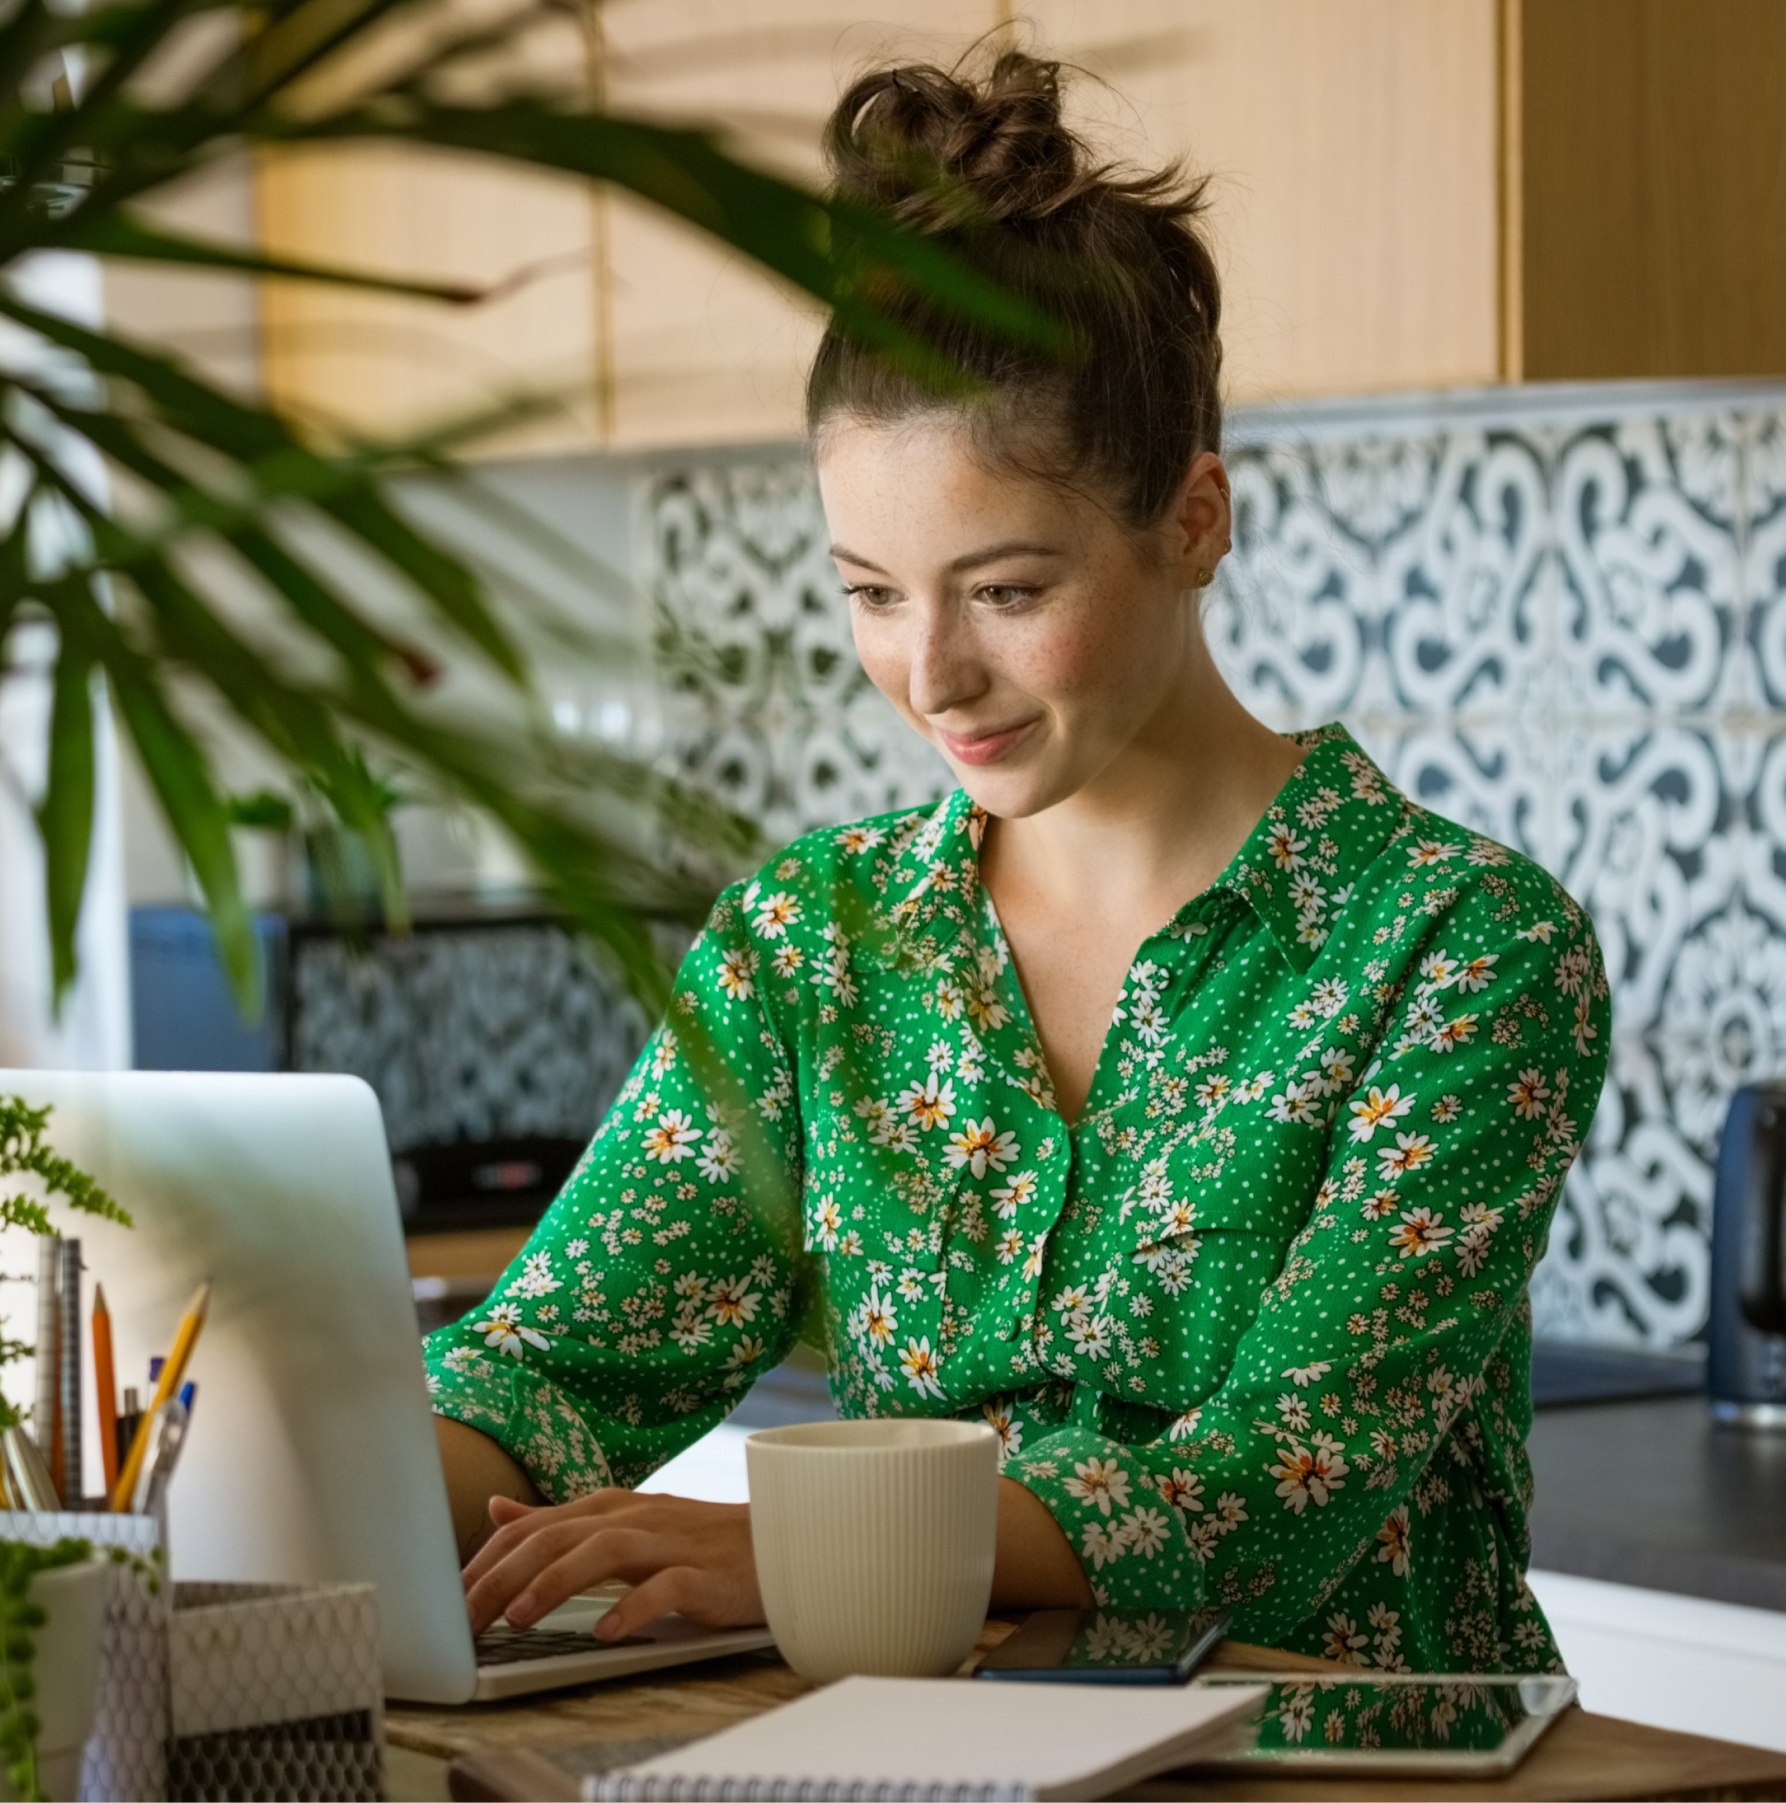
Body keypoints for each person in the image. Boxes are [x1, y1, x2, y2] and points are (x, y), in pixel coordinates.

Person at [425, 51, 1609, 1674]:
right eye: (871, 593)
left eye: (1003, 590)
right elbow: (559, 1371)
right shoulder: (817, 938)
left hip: (1364, 1774)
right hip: (945, 1764)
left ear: (1193, 519)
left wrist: (800, 1548)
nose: (932, 675)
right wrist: (324, 1482)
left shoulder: (1458, 948)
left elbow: (1275, 1490)